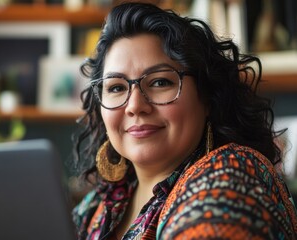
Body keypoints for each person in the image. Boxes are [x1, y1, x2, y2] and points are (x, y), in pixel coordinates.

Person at [71, 2, 297, 239]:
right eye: (116, 87)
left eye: (160, 82)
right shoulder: (99, 203)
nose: (135, 106)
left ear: (207, 97)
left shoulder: (230, 172)